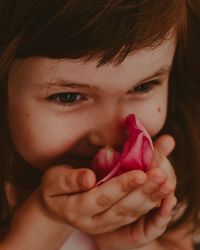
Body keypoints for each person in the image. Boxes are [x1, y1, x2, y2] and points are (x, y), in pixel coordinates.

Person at [0, 0, 199, 249]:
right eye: (68, 96)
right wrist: (48, 217)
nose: (110, 135)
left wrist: (133, 243)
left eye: (142, 86)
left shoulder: (167, 178)